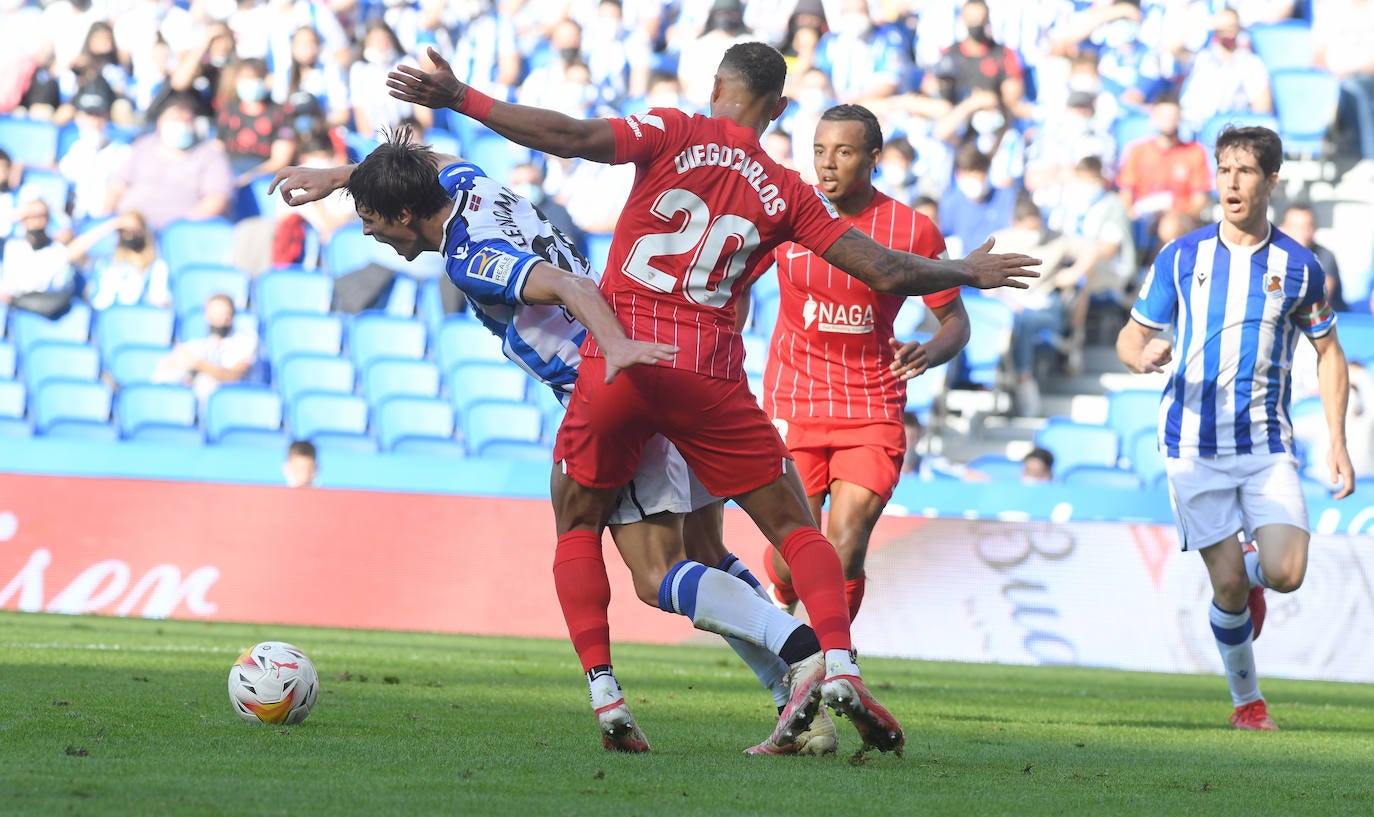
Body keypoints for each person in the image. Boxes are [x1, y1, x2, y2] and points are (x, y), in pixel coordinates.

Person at [386, 40, 1041, 755]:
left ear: (716, 86)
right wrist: (965, 271)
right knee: (792, 530)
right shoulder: (786, 189)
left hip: (618, 354)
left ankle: (609, 693)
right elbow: (882, 270)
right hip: (706, 369)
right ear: (781, 109)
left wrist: (463, 100)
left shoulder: (669, 130)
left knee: (587, 529)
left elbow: (568, 137)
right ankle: (837, 663)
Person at [270, 131, 845, 757]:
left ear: (405, 213)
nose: (368, 231)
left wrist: (614, 352)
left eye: (371, 218)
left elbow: (570, 288)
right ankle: (800, 706)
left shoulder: (470, 258)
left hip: (610, 386)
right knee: (705, 552)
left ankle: (800, 651)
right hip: (672, 361)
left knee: (655, 577)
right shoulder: (470, 184)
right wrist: (344, 175)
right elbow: (425, 161)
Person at [1116, 125, 1356, 731]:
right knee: (1226, 588)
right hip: (1191, 445)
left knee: (1286, 573)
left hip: (1266, 444)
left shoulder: (1299, 268)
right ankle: (1248, 705)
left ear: (1271, 181)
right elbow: (1133, 332)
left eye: (1245, 171)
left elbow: (1329, 352)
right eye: (1224, 170)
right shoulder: (1181, 257)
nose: (1231, 182)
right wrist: (1136, 355)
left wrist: (1338, 443)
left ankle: (1254, 570)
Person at [755, 103, 969, 626]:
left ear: (874, 159)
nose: (828, 164)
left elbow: (956, 323)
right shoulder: (786, 215)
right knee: (794, 552)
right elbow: (733, 280)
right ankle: (782, 593)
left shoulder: (912, 229)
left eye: (844, 152)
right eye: (820, 151)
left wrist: (929, 351)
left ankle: (835, 663)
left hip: (870, 403)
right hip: (794, 400)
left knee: (846, 542)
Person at [106, 92, 234, 232]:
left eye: (187, 120)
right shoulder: (143, 146)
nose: (181, 125)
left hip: (183, 235)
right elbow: (117, 186)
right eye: (175, 119)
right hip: (132, 230)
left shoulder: (210, 154)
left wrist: (178, 231)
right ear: (161, 121)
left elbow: (216, 199)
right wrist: (110, 216)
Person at [152, 292, 257, 405]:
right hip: (201, 402)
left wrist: (199, 364)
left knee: (206, 383)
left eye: (224, 314)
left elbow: (233, 376)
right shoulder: (198, 345)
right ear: (207, 314)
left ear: (232, 316)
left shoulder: (246, 342)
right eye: (215, 314)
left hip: (236, 402)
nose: (220, 319)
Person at [1278, 202, 1347, 313]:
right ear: (1282, 229)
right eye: (1297, 227)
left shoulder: (1325, 256)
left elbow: (1320, 298)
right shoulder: (1274, 257)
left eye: (1308, 226)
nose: (1304, 232)